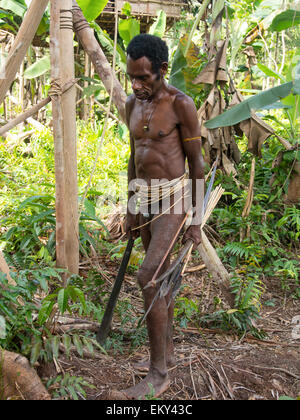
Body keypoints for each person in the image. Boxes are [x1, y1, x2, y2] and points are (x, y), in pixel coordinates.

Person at [123, 34, 204, 399]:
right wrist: (130, 207)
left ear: (162, 71)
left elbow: (198, 166)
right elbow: (133, 158)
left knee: (148, 276)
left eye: (144, 78)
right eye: (133, 78)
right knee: (161, 278)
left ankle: (158, 374)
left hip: (173, 199)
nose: (137, 86)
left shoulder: (180, 105)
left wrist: (196, 219)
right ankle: (167, 351)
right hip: (145, 199)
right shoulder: (131, 104)